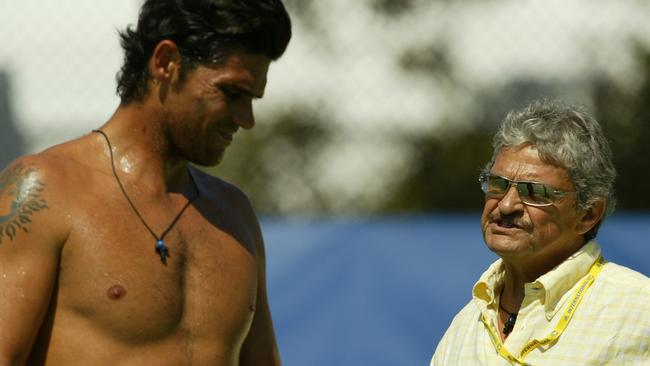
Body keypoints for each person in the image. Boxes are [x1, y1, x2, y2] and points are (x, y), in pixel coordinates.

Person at [0, 0, 291, 365]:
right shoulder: (45, 190)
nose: (246, 119)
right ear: (166, 62)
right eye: (231, 93)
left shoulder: (234, 215)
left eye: (252, 99)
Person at [431, 99, 650, 365]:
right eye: (498, 184)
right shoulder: (465, 326)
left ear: (588, 214)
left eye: (534, 192)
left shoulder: (638, 310)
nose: (507, 204)